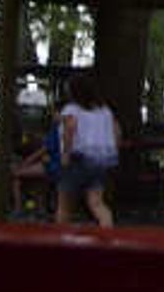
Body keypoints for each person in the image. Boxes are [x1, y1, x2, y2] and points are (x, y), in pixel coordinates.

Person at [51, 74, 119, 229]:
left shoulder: (72, 109)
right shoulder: (105, 111)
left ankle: (60, 239)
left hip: (77, 159)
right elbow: (116, 130)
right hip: (100, 161)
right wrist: (112, 150)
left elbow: (70, 127)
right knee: (97, 203)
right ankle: (108, 235)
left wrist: (66, 154)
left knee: (64, 205)